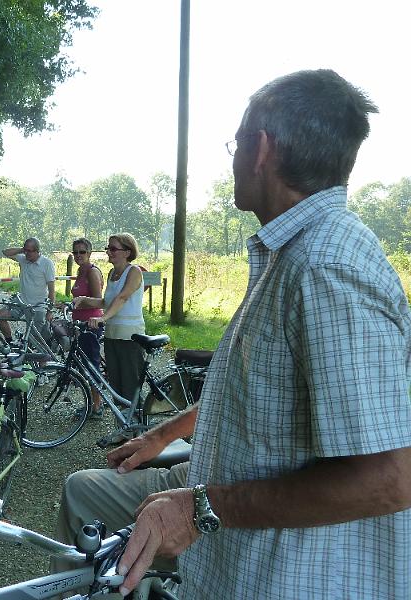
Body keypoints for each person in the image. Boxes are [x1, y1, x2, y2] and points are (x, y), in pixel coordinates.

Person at [56, 69, 411, 599]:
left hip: (288, 577)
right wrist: (164, 433)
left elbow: (390, 477)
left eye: (236, 143)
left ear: (261, 148)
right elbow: (262, 396)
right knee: (84, 495)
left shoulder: (325, 267)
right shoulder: (290, 255)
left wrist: (201, 510)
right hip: (229, 536)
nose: (233, 159)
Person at [73, 233, 145, 407]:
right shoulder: (112, 273)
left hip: (130, 338)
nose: (108, 252)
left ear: (127, 252)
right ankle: (123, 428)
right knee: (116, 387)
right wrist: (83, 299)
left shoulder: (134, 271)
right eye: (108, 248)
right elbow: (106, 302)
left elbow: (123, 297)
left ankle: (136, 429)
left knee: (130, 387)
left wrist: (102, 318)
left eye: (113, 248)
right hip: (112, 336)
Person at [68, 237, 104, 417]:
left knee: (92, 366)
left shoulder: (91, 272)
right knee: (85, 365)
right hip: (79, 324)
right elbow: (79, 298)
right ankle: (92, 402)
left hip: (91, 324)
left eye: (82, 252)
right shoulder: (80, 271)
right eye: (75, 252)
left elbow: (99, 301)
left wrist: (78, 304)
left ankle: (96, 406)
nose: (78, 255)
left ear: (89, 253)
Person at [0, 238, 56, 343]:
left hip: (38, 306)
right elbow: (5, 252)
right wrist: (21, 250)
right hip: (21, 302)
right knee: (0, 316)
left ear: (37, 250)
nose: (27, 253)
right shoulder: (23, 259)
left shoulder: (47, 263)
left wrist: (50, 311)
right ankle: (10, 343)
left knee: (32, 340)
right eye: (25, 250)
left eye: (29, 251)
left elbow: (52, 289)